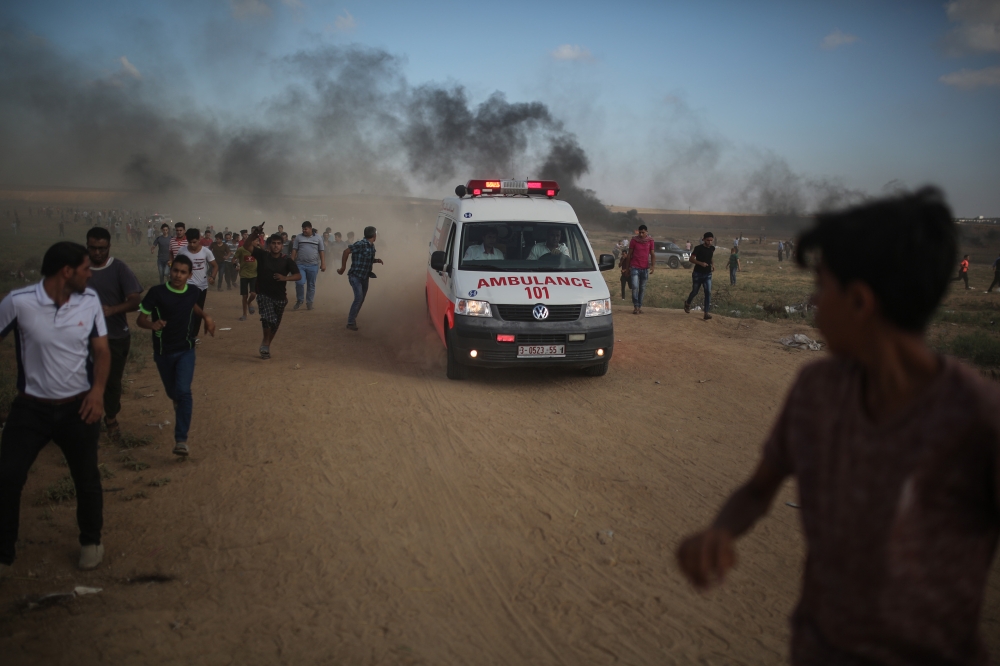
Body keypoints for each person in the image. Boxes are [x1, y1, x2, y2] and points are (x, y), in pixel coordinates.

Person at [676, 187, 1000, 664]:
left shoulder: (977, 421)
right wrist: (721, 530)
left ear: (860, 302)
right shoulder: (817, 391)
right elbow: (759, 488)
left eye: (821, 287)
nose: (813, 302)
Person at [0, 242, 110, 576]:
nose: (90, 274)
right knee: (7, 479)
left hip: (79, 406)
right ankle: (3, 554)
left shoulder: (89, 301)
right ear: (67, 271)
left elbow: (102, 351)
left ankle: (91, 542)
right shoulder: (18, 303)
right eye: (86, 268)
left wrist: (98, 392)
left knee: (87, 478)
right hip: (30, 408)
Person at [136, 255, 215, 457]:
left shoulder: (193, 292)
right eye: (175, 270)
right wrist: (152, 325)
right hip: (162, 352)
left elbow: (192, 306)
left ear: (189, 275)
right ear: (170, 270)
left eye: (183, 272)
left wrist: (205, 316)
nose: (178, 275)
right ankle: (177, 402)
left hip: (185, 350)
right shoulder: (157, 293)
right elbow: (140, 319)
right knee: (174, 393)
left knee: (184, 392)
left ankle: (181, 440)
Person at [85, 227, 143, 443]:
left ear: (109, 247)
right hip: (84, 337)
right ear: (87, 246)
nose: (97, 252)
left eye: (102, 248)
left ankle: (111, 418)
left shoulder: (119, 269)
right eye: (93, 248)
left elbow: (135, 299)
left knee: (111, 382)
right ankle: (85, 421)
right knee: (83, 380)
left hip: (115, 336)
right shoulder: (79, 269)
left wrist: (111, 310)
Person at [251, 234, 300, 358]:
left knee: (274, 324)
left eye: (278, 243)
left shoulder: (286, 260)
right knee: (268, 318)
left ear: (282, 246)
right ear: (269, 245)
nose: (276, 246)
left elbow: (298, 275)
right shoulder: (263, 255)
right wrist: (254, 234)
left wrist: (285, 278)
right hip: (264, 294)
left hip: (280, 298)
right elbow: (247, 246)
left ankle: (266, 344)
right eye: (273, 243)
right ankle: (265, 344)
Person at [176, 229, 217, 342]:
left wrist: (212, 277)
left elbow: (215, 266)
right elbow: (176, 266)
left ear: (199, 239)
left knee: (198, 311)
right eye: (190, 242)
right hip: (187, 285)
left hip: (202, 286)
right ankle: (185, 333)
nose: (192, 245)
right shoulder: (182, 251)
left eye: (194, 242)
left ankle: (193, 335)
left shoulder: (206, 252)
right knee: (187, 310)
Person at [337, 226, 382, 331]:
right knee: (358, 297)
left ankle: (352, 319)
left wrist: (376, 260)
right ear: (374, 236)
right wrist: (343, 267)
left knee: (360, 299)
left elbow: (367, 259)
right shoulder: (361, 244)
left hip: (365, 277)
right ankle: (350, 322)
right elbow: (346, 252)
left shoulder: (371, 246)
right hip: (355, 276)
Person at [291, 221, 326, 310]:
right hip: (300, 265)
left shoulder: (318, 238)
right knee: (299, 282)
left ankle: (309, 303)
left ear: (310, 228)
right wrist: (291, 263)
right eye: (303, 229)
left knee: (311, 284)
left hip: (313, 265)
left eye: (305, 229)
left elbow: (321, 251)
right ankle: (300, 300)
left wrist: (323, 263)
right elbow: (294, 250)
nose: (304, 231)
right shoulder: (298, 237)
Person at [684, 232, 715, 320]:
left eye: (711, 240)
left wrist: (713, 264)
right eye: (708, 240)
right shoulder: (698, 248)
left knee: (708, 292)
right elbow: (691, 259)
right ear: (703, 240)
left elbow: (710, 257)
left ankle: (706, 313)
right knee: (695, 291)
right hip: (697, 273)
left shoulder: (712, 248)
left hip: (707, 274)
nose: (709, 242)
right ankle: (688, 303)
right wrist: (701, 263)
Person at [627, 224, 655, 315]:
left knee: (642, 288)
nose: (641, 234)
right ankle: (635, 306)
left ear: (646, 232)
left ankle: (639, 306)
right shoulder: (634, 240)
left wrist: (653, 266)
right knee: (635, 286)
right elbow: (629, 254)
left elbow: (652, 254)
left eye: (643, 232)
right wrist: (627, 268)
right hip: (634, 267)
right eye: (640, 232)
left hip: (644, 268)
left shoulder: (650, 241)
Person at [234, 235, 259, 321]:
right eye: (256, 241)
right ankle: (244, 314)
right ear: (251, 241)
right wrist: (236, 266)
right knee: (244, 296)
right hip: (244, 275)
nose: (257, 243)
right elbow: (233, 259)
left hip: (254, 275)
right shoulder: (241, 249)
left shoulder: (257, 250)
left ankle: (249, 303)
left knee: (253, 294)